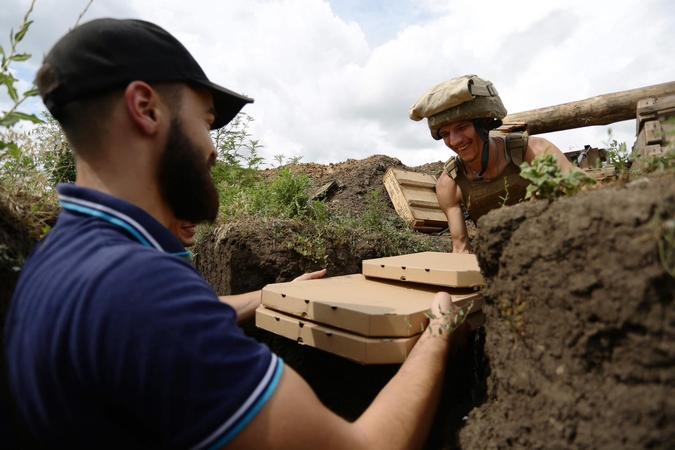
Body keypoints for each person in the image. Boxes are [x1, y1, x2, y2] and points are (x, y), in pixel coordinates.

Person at [6, 18, 471, 449]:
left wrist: (269, 295)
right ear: (145, 110)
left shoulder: (62, 255)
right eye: (206, 122)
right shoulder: (141, 294)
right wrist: (439, 333)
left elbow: (183, 318)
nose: (212, 149)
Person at [410, 74, 581, 254]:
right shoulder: (450, 183)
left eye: (461, 128)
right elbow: (461, 249)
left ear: (485, 124)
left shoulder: (533, 151)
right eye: (445, 134)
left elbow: (587, 192)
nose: (454, 141)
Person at [168, 218, 327, 323]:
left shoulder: (166, 259)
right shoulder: (153, 268)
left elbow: (199, 309)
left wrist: (286, 291)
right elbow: (198, 314)